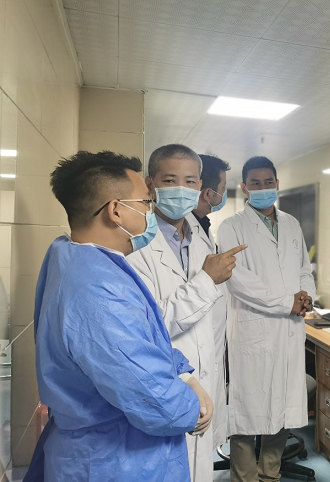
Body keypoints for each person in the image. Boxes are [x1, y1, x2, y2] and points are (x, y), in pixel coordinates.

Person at [31, 151, 211, 482]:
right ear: (115, 210)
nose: (150, 211)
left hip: (104, 449)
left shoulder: (76, 258)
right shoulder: (96, 289)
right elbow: (153, 398)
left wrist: (184, 374)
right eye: (145, 202)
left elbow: (140, 338)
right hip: (114, 460)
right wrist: (192, 407)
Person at [127, 144, 245, 482]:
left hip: (203, 380)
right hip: (170, 383)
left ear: (200, 187)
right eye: (170, 180)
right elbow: (150, 326)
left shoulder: (201, 240)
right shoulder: (135, 246)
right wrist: (207, 279)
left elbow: (210, 323)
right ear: (150, 184)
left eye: (190, 181)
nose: (182, 189)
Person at [218, 156, 315, 482]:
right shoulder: (231, 227)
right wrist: (287, 303)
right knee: (247, 413)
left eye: (268, 182)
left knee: (282, 410)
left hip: (289, 330)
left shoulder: (291, 224)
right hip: (253, 332)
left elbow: (303, 268)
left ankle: (270, 475)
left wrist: (306, 296)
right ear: (244, 187)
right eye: (255, 183)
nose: (262, 188)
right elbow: (238, 281)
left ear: (277, 184)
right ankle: (245, 478)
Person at [188, 153, 231, 449]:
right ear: (209, 193)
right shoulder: (185, 230)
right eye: (223, 188)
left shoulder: (203, 225)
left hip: (211, 339)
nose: (223, 195)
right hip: (193, 347)